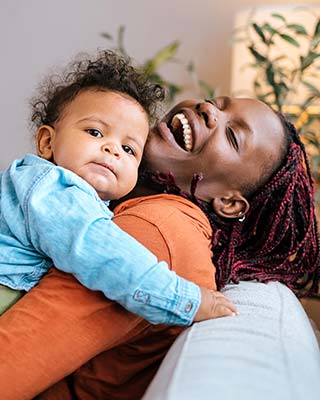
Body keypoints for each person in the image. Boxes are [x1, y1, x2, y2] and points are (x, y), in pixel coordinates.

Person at [0, 96, 319, 400]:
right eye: (218, 103)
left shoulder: (158, 231)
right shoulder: (119, 205)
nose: (208, 109)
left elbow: (10, 365)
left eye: (233, 136)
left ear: (230, 203)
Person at [0, 50, 235, 323]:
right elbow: (108, 257)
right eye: (95, 132)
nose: (113, 150)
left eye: (128, 149)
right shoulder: (53, 189)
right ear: (47, 143)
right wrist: (184, 300)